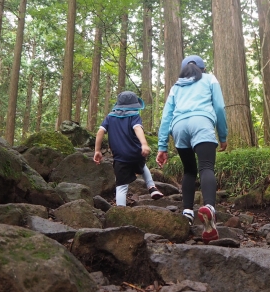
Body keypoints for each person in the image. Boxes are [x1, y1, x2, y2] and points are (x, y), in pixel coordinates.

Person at [156, 55, 227, 243]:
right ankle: (209, 208)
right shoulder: (209, 79)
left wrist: (162, 146)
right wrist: (223, 136)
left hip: (179, 127)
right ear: (202, 68)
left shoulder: (176, 87)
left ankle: (187, 212)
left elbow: (166, 117)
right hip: (201, 123)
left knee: (189, 170)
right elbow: (219, 107)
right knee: (206, 167)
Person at [94, 91, 164, 206]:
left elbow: (100, 131)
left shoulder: (110, 117)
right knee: (142, 165)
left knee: (121, 187)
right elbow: (137, 128)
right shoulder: (134, 116)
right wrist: (144, 144)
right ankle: (152, 187)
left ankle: (121, 210)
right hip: (136, 153)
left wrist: (97, 150)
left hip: (120, 158)